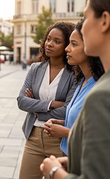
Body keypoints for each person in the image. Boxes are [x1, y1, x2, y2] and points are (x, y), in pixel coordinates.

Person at [40, 0, 110, 179]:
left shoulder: (105, 94)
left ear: (105, 21)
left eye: (86, 17)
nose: (82, 26)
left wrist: (54, 171)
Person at [16, 22, 76, 179]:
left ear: (67, 46)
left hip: (58, 140)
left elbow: (66, 111)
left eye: (57, 41)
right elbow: (22, 101)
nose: (49, 44)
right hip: (33, 137)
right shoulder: (36, 68)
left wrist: (35, 108)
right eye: (48, 39)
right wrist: (51, 104)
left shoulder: (73, 74)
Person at [43, 19, 105, 155]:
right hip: (71, 157)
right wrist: (63, 122)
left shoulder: (100, 87)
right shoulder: (82, 80)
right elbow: (85, 122)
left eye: (74, 44)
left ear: (90, 48)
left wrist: (65, 132)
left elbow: (102, 138)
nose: (67, 48)